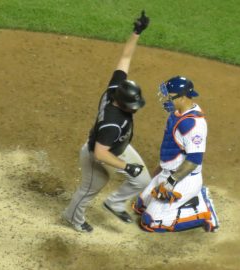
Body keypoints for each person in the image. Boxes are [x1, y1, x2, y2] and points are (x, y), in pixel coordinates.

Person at [62, 11, 151, 233]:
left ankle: (115, 202)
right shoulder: (112, 122)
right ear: (122, 104)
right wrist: (126, 166)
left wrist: (136, 32)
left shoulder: (115, 88)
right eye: (132, 106)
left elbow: (125, 59)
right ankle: (72, 217)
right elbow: (101, 154)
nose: (135, 109)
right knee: (93, 185)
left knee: (141, 180)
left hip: (119, 145)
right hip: (98, 151)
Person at [133, 76, 219, 232]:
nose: (166, 100)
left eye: (170, 96)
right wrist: (160, 170)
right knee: (140, 206)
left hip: (184, 179)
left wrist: (171, 181)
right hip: (168, 173)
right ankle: (187, 200)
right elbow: (172, 148)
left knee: (149, 222)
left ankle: (202, 208)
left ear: (184, 97)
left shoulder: (193, 125)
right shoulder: (176, 114)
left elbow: (194, 160)